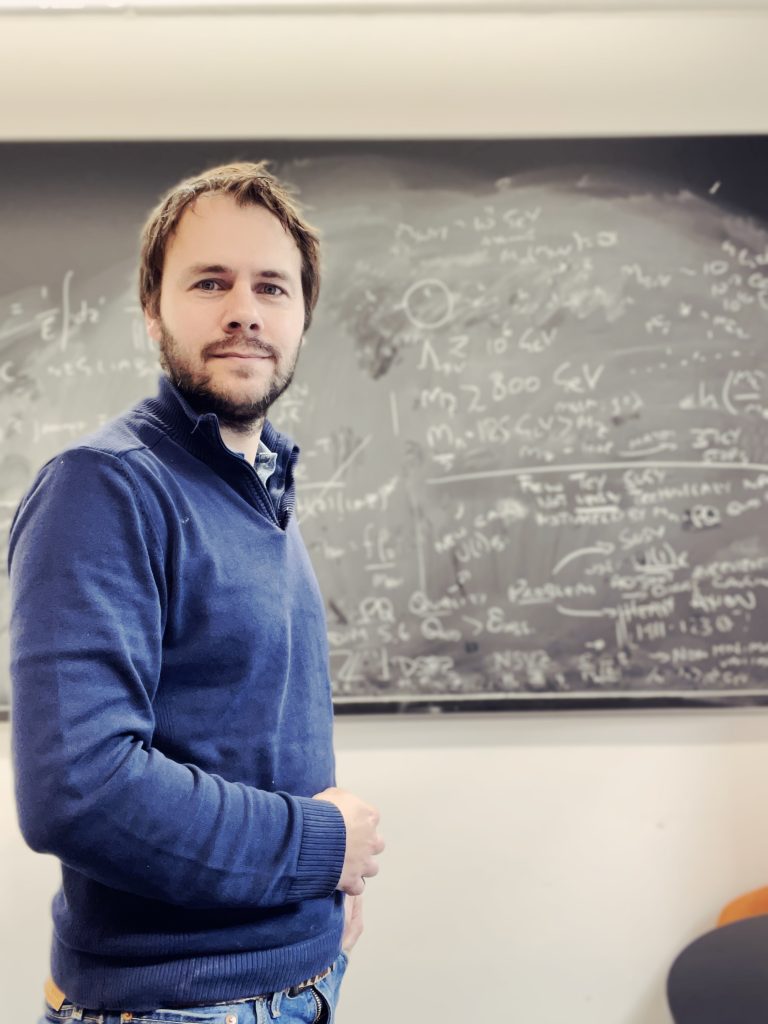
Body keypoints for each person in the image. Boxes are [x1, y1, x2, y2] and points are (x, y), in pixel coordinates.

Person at [8, 162, 385, 1024]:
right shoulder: (102, 490)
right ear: (153, 309)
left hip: (296, 980)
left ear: (301, 318)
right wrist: (318, 849)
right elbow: (81, 789)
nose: (245, 309)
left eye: (272, 287)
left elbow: (241, 736)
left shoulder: (259, 484)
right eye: (210, 282)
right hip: (178, 1008)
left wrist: (310, 905)